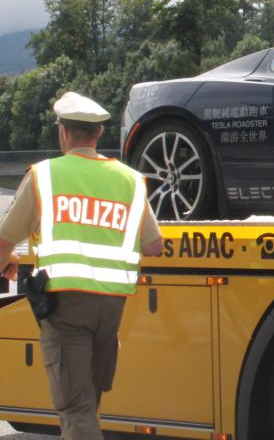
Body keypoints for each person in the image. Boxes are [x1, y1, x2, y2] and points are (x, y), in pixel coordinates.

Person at [0, 91, 163, 440]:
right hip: (111, 307)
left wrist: (5, 263)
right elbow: (154, 245)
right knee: (87, 405)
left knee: (75, 410)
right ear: (99, 133)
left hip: (66, 306)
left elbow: (5, 239)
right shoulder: (130, 180)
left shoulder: (45, 176)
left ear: (63, 132)